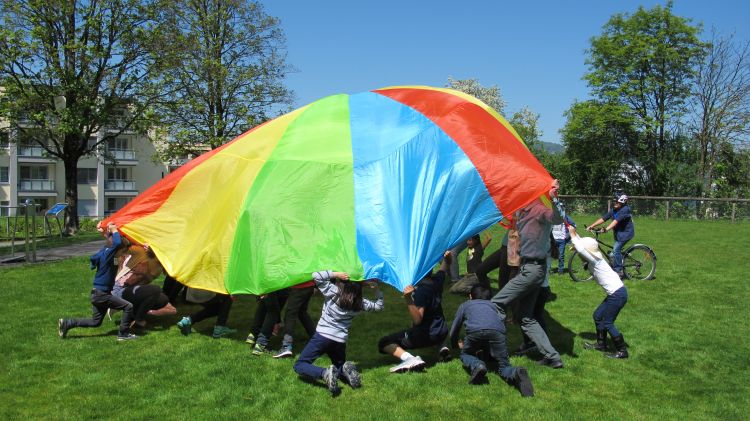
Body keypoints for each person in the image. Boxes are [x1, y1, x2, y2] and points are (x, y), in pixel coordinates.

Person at [491, 179, 565, 369]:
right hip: (528, 268)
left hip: (533, 269)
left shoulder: (539, 210)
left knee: (497, 303)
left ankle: (494, 350)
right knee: (525, 317)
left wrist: (554, 198)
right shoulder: (521, 211)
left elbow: (557, 219)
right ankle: (553, 357)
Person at [293, 271, 384, 396]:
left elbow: (315, 275)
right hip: (340, 341)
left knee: (300, 365)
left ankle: (324, 373)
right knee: (338, 366)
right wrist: (376, 289)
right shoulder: (360, 302)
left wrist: (335, 274)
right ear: (360, 287)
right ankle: (346, 371)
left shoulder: (333, 292)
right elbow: (379, 306)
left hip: (322, 337)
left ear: (342, 282)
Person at [445, 285, 534, 396]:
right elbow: (501, 322)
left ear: (470, 296)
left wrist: (455, 344)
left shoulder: (465, 305)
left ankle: (477, 365)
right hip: (497, 333)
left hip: (475, 332)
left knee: (465, 354)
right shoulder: (494, 305)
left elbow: (454, 329)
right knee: (504, 366)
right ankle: (515, 372)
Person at [58, 223, 138, 341]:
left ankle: (67, 323)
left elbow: (113, 244)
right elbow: (116, 243)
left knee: (96, 322)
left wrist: (106, 233)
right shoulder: (108, 255)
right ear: (117, 249)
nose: (124, 253)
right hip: (101, 295)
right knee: (128, 306)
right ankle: (123, 334)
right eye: (123, 251)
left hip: (98, 293)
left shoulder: (109, 254)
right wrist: (114, 230)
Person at [379, 251, 451, 373]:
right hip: (441, 331)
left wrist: (408, 298)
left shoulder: (422, 291)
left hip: (426, 336)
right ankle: (443, 347)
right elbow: (445, 267)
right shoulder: (437, 281)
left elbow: (417, 320)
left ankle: (410, 359)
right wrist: (447, 258)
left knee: (384, 342)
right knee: (436, 330)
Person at [568, 226, 629, 359]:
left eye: (580, 254)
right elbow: (582, 246)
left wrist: (572, 235)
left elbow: (581, 249)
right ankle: (601, 344)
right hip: (615, 293)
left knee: (608, 322)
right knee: (598, 315)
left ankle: (622, 351)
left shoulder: (595, 261)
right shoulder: (594, 259)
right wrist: (573, 231)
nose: (579, 255)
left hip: (618, 294)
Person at [588, 193, 635, 278]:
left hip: (626, 233)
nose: (615, 203)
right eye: (615, 202)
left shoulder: (625, 210)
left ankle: (619, 271)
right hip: (618, 233)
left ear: (622, 203)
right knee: (613, 253)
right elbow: (604, 218)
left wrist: (606, 229)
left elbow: (615, 221)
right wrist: (592, 225)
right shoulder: (614, 209)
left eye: (617, 202)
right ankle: (616, 261)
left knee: (616, 249)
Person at [274, 279, 317, 358]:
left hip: (299, 286)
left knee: (290, 315)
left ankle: (286, 346)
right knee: (301, 312)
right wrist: (315, 286)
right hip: (309, 285)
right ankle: (315, 338)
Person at [246, 289, 289, 355]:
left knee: (263, 307)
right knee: (273, 312)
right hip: (275, 286)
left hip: (264, 285)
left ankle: (252, 335)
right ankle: (260, 345)